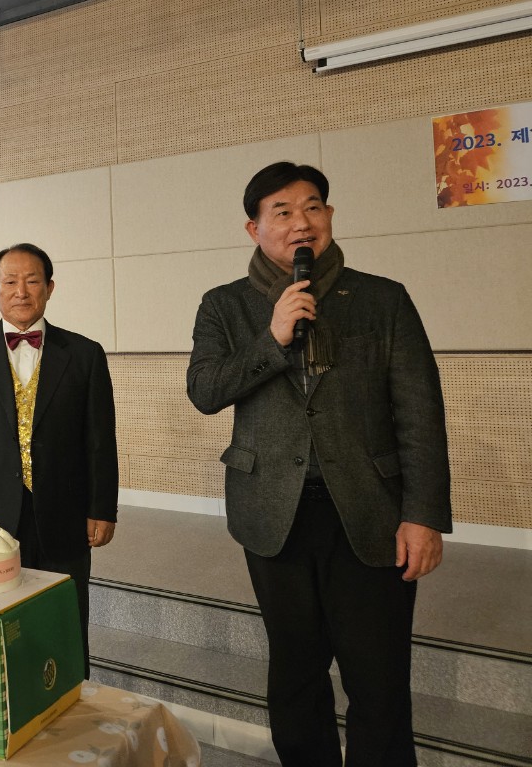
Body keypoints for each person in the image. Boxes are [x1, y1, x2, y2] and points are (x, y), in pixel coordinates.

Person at [187, 162, 450, 766]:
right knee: (296, 672)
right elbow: (205, 390)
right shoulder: (225, 306)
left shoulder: (383, 299)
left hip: (371, 512)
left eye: (312, 207)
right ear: (254, 228)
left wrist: (424, 515)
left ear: (329, 216)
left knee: (379, 675)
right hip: (272, 515)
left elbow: (420, 413)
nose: (300, 223)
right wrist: (272, 339)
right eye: (282, 212)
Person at [0, 243, 119, 677]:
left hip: (65, 509)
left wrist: (102, 508)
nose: (21, 291)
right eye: (10, 282)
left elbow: (100, 439)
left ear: (50, 288)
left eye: (33, 280)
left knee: (64, 612)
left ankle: (69, 689)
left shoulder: (85, 353)